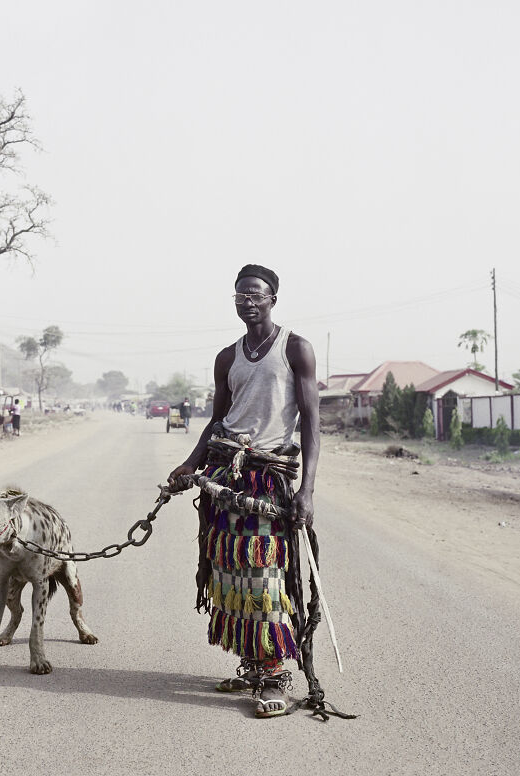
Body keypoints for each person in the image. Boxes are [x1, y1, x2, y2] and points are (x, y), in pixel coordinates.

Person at [167, 263, 320, 719]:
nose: (246, 301)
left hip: (267, 479)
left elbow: (312, 423)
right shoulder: (225, 357)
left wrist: (306, 492)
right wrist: (189, 465)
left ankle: (274, 675)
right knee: (228, 575)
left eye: (255, 293)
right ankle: (252, 661)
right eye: (239, 295)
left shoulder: (296, 348)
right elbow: (218, 421)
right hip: (223, 476)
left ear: (273, 298)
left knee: (266, 577)